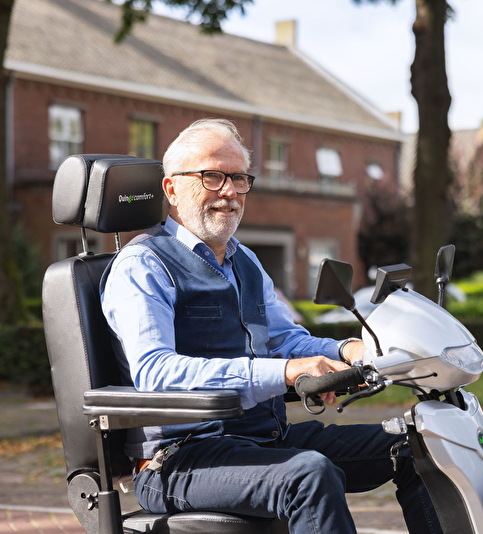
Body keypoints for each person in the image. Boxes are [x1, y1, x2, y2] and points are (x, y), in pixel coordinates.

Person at [100, 118, 442, 534]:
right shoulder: (143, 265)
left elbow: (284, 339)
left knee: (418, 446)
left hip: (264, 439)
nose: (229, 191)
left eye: (239, 178)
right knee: (309, 475)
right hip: (179, 458)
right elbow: (157, 373)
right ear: (172, 189)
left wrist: (351, 350)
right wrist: (284, 373)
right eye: (212, 176)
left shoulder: (244, 260)